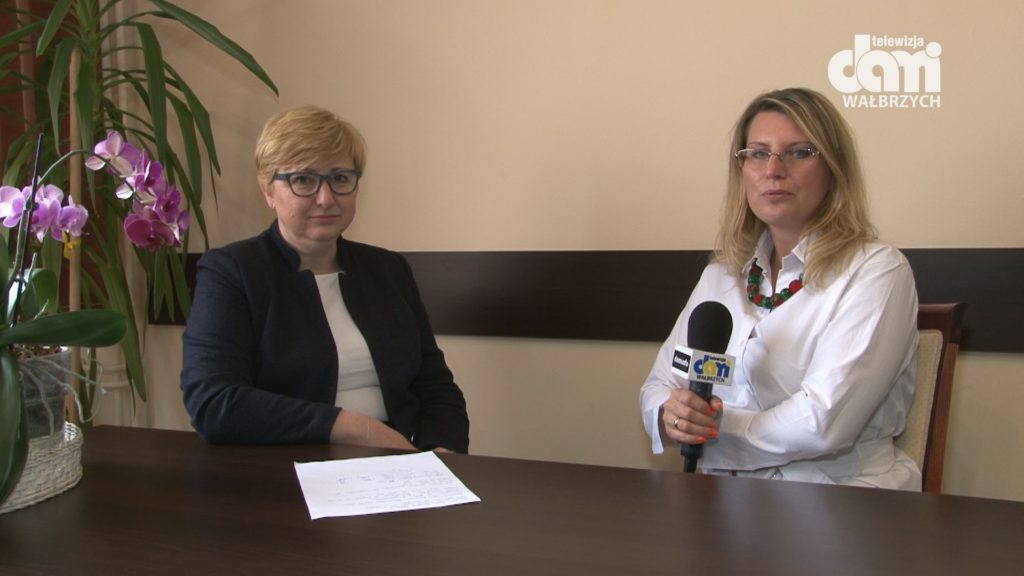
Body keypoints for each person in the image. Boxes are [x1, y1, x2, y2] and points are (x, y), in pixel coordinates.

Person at [640, 87, 920, 489]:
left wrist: (711, 432)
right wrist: (672, 414)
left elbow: (822, 422)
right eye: (758, 153)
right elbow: (659, 387)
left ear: (834, 168)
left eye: (799, 152)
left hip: (841, 499)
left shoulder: (875, 271)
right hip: (723, 499)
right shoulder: (721, 275)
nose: (773, 169)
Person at [181, 105, 469, 453]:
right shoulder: (232, 271)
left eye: (340, 178)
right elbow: (213, 401)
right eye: (303, 180)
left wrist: (441, 452)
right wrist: (353, 427)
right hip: (287, 468)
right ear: (268, 191)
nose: (326, 198)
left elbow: (436, 386)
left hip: (400, 464)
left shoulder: (388, 269)